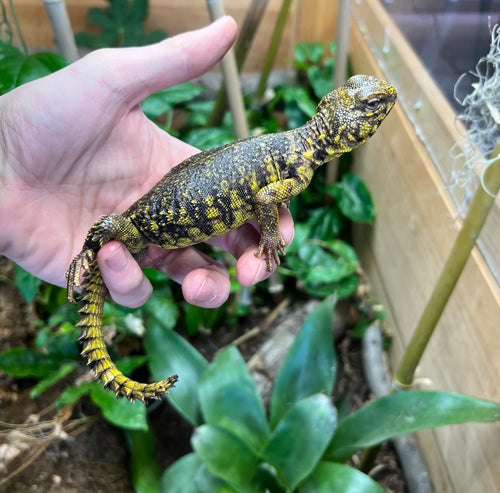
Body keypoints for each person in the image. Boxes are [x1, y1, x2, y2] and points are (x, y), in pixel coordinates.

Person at [0, 17, 293, 309]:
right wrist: (87, 251)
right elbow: (111, 224)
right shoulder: (129, 233)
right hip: (142, 229)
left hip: (152, 233)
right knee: (116, 230)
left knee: (126, 265)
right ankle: (84, 255)